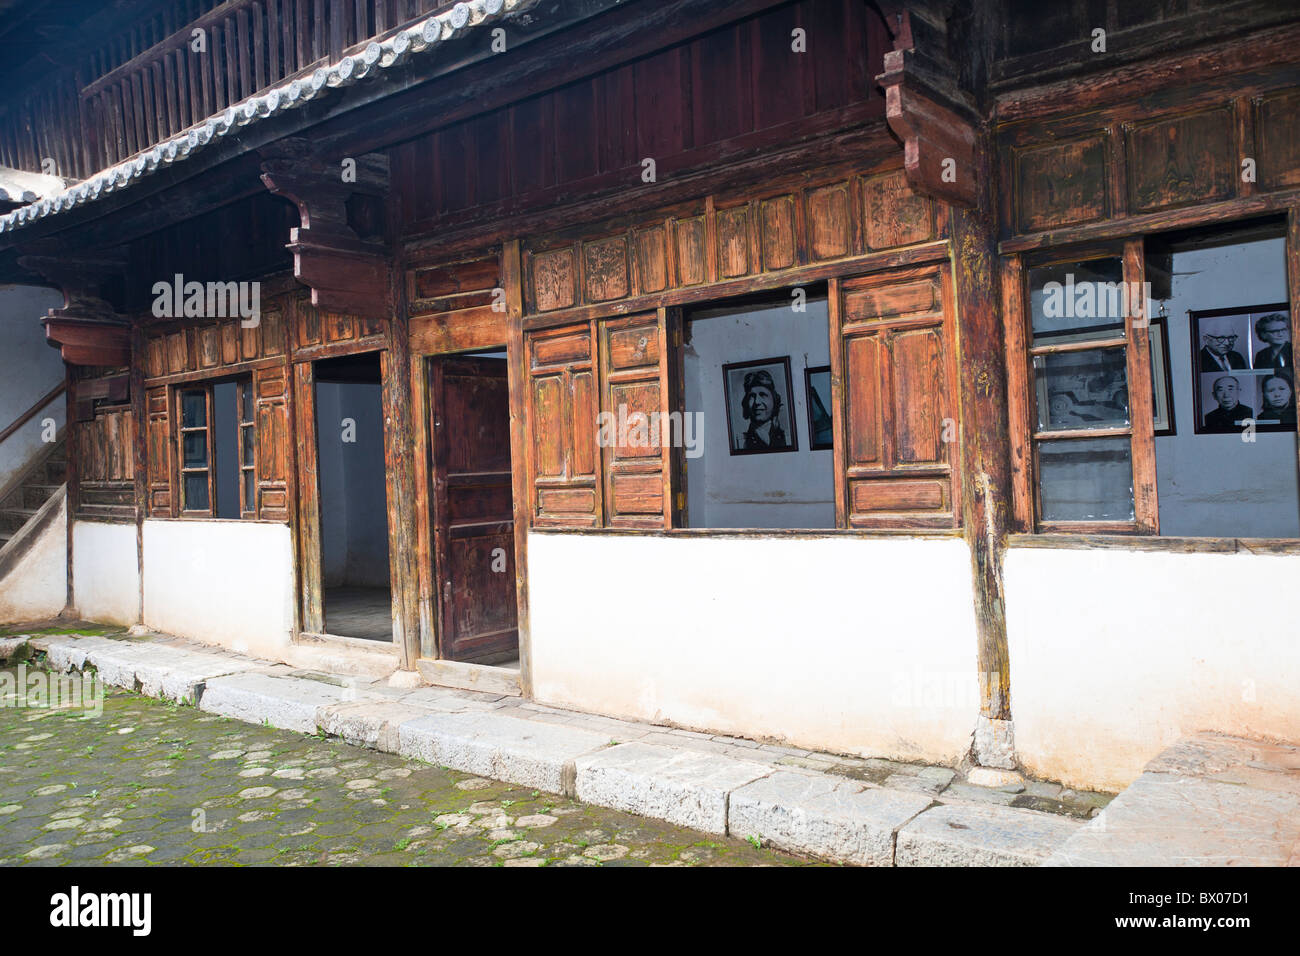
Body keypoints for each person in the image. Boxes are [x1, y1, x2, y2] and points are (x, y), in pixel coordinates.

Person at [739, 368, 788, 450]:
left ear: (774, 400)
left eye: (763, 395)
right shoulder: (740, 442)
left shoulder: (788, 437)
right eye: (752, 396)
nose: (757, 402)